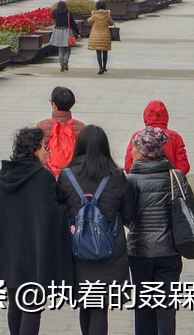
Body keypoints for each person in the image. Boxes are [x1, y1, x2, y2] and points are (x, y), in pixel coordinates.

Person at [0, 127, 74, 335]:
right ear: (34, 150)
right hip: (35, 252)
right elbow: (54, 213)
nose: (47, 152)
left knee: (16, 303)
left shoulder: (4, 176)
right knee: (32, 307)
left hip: (9, 251)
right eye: (44, 147)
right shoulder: (42, 178)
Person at [56, 125, 135, 335]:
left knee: (86, 301)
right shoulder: (117, 176)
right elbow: (129, 215)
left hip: (77, 248)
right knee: (100, 306)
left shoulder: (66, 176)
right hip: (110, 250)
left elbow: (58, 208)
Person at [127, 126, 194, 335]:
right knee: (167, 306)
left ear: (142, 152)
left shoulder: (130, 181)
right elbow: (191, 209)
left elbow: (126, 215)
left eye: (134, 148)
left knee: (143, 305)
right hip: (171, 251)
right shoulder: (176, 176)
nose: (131, 151)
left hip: (140, 252)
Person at [123, 100, 190, 175]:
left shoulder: (138, 136)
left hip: (142, 181)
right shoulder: (175, 136)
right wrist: (174, 178)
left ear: (146, 115)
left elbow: (129, 165)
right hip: (169, 181)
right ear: (166, 116)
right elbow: (183, 166)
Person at [36, 86, 84, 176]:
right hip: (74, 176)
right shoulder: (81, 127)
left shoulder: (42, 126)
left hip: (47, 175)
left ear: (54, 106)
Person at [49, 0, 81, 73]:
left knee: (60, 50)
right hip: (66, 31)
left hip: (58, 31)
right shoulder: (68, 14)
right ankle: (65, 61)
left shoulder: (55, 13)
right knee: (67, 49)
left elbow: (52, 15)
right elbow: (73, 24)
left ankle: (61, 67)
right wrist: (77, 32)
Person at [86, 0, 115, 75]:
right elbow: (111, 23)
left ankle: (100, 67)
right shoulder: (107, 14)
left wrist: (92, 14)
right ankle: (105, 66)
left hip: (96, 35)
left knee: (98, 52)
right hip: (105, 35)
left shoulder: (95, 14)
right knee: (105, 51)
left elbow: (89, 21)